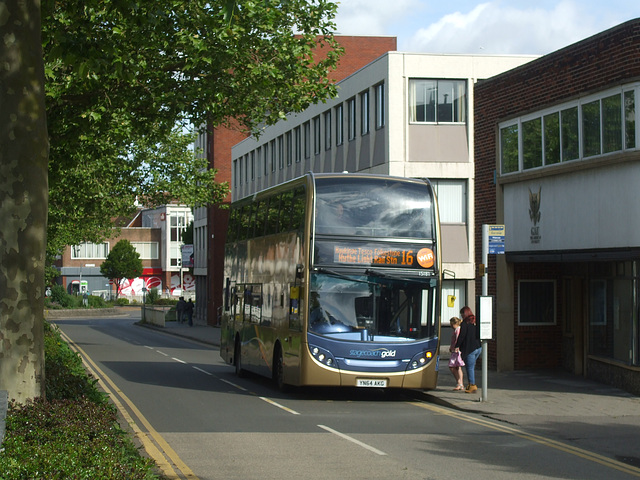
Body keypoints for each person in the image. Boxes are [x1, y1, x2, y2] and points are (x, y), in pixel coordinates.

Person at [455, 305, 482, 393]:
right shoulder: (474, 321)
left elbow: (462, 336)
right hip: (478, 347)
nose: (461, 316)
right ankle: (471, 384)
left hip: (469, 348)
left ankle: (472, 385)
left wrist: (457, 345)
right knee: (472, 366)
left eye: (462, 314)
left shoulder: (465, 323)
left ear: (465, 313)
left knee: (469, 367)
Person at [448, 317, 465, 391]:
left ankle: (459, 383)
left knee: (452, 366)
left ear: (454, 323)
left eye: (451, 324)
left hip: (456, 351)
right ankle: (460, 384)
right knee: (458, 367)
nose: (450, 326)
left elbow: (458, 339)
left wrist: (456, 348)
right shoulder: (457, 329)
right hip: (455, 350)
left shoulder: (457, 329)